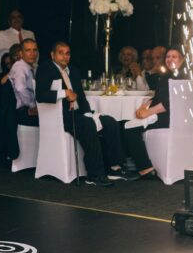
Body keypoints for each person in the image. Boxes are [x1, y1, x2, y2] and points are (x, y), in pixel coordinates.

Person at [35, 41, 132, 186]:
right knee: (87, 125)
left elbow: (81, 97)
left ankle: (115, 168)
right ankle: (94, 175)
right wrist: (64, 92)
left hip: (79, 113)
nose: (64, 57)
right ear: (52, 55)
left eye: (67, 53)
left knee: (110, 122)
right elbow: (41, 95)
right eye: (60, 53)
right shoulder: (45, 68)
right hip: (60, 116)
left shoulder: (73, 70)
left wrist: (88, 113)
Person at [120, 45, 189, 180]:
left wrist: (149, 112)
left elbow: (169, 103)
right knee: (125, 124)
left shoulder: (181, 77)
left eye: (174, 56)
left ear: (182, 59)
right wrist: (144, 106)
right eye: (168, 57)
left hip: (169, 118)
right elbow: (159, 96)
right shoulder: (167, 75)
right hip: (166, 115)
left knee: (128, 127)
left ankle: (145, 168)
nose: (169, 59)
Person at [0, 9, 35, 82]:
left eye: (19, 17)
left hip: (30, 76)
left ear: (22, 19)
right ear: (9, 21)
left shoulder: (30, 34)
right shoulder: (2, 35)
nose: (16, 19)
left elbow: (35, 54)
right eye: (13, 17)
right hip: (9, 78)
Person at [0, 43, 23, 160]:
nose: (9, 65)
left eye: (10, 63)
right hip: (10, 105)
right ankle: (11, 151)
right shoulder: (7, 74)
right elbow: (2, 82)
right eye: (7, 64)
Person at [8, 38, 40, 127]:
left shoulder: (28, 67)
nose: (32, 54)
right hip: (23, 113)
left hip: (25, 111)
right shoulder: (20, 67)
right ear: (21, 54)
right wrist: (32, 105)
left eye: (34, 50)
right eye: (28, 50)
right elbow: (20, 88)